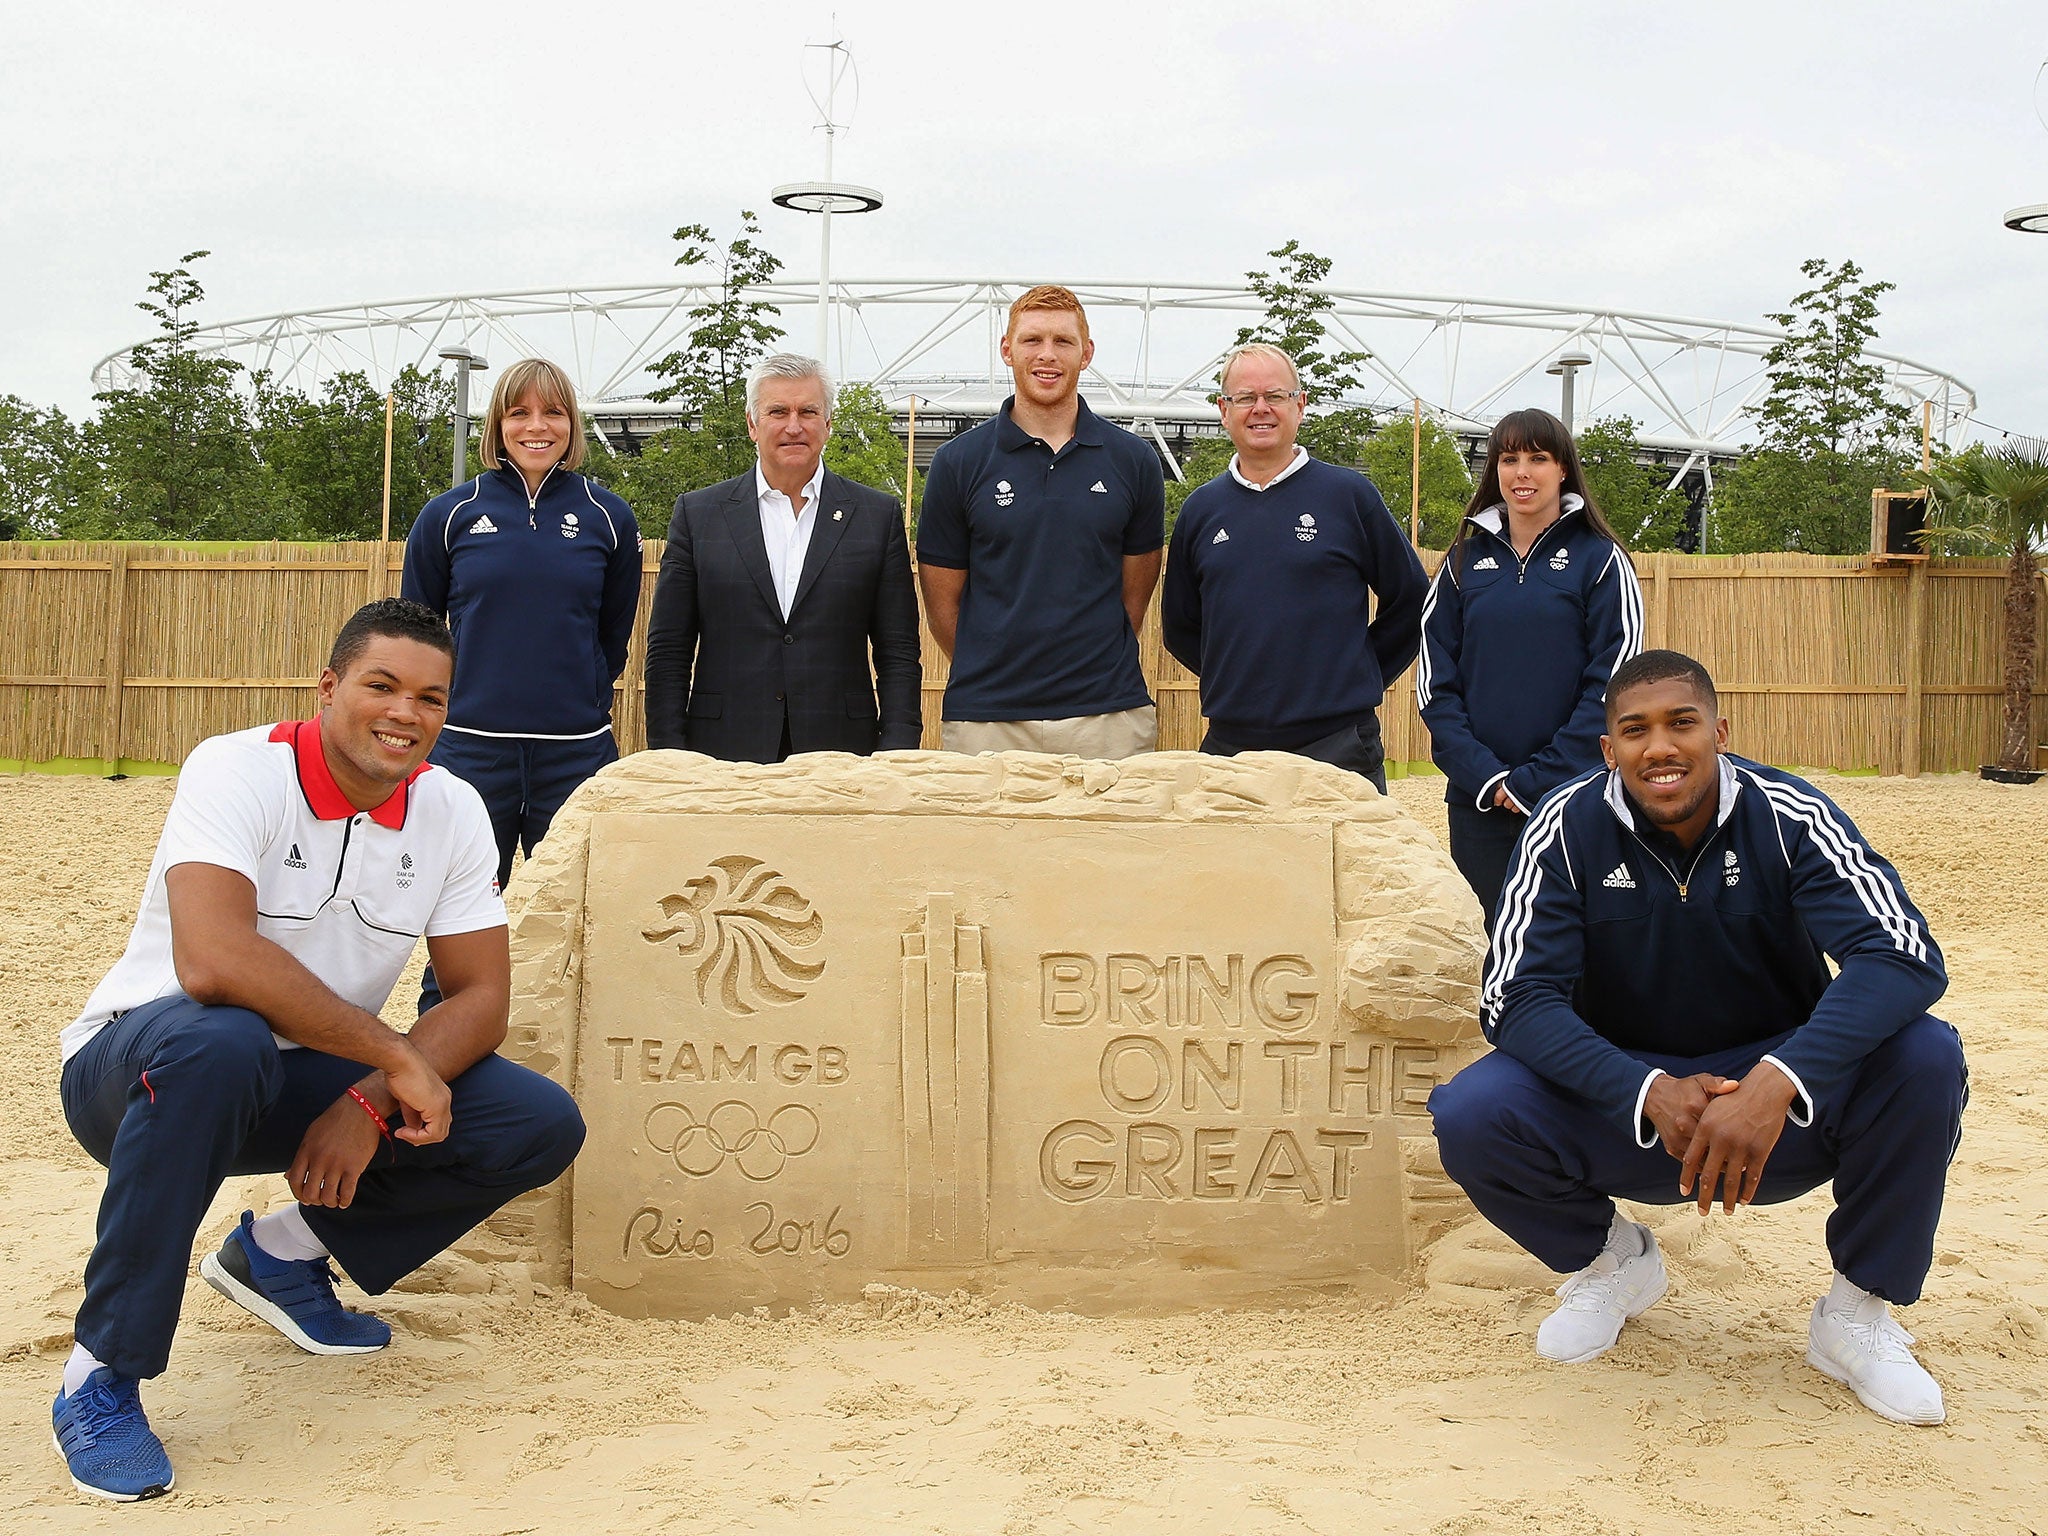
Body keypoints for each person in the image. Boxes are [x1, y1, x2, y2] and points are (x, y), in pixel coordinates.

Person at [52, 599, 585, 1501]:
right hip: (140, 1069)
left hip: (300, 1075)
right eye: (381, 686)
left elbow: (483, 998)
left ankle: (281, 1253)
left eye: (429, 697)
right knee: (220, 1043)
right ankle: (102, 1374)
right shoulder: (235, 768)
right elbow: (214, 962)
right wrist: (395, 1058)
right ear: (329, 686)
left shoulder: (452, 809)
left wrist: (370, 1098)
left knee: (533, 1120)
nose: (404, 714)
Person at [1428, 650, 1966, 1425]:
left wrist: (1778, 1079)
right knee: (1473, 1110)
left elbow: (1904, 954)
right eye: (1635, 730)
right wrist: (1642, 1090)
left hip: (1778, 1114)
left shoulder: (1789, 816)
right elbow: (1514, 998)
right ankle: (1614, 1263)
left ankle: (1857, 1314)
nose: (1661, 748)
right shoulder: (1563, 828)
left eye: (1682, 724)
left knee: (1926, 1056)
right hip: (1639, 1112)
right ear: (1608, 749)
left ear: (1720, 731)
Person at [402, 357, 641, 893]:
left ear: (572, 424)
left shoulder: (610, 517)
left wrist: (590, 697)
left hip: (575, 750)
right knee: (460, 912)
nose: (537, 427)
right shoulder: (448, 514)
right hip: (470, 748)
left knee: (582, 906)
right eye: (519, 413)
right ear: (498, 425)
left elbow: (614, 630)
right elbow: (415, 637)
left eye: (552, 412)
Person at [1160, 343, 1426, 791]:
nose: (1260, 409)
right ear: (1224, 411)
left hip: (1338, 745)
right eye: (1245, 398)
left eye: (1275, 396)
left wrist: (1356, 671)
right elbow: (1180, 628)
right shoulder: (1201, 510)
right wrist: (1239, 675)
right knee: (1230, 865)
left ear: (1300, 405)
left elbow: (1412, 600)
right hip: (1231, 748)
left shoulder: (1349, 496)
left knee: (1346, 864)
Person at [1416, 408, 1643, 928]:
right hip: (1480, 802)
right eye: (1508, 458)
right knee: (1492, 945)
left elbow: (1615, 684)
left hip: (1575, 794)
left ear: (1563, 469)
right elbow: (1434, 686)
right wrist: (1488, 777)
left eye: (1538, 459)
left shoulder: (1601, 560)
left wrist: (1542, 779)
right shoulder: (1460, 563)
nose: (1522, 473)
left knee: (1577, 939)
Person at [916, 285, 1165, 759]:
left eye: (1063, 341)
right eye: (1032, 340)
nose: (1046, 355)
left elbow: (1135, 598)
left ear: (1086, 353)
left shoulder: (1134, 461)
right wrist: (995, 666)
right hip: (987, 722)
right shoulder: (958, 463)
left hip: (1108, 718)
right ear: (1007, 349)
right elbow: (941, 607)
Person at [643, 354, 921, 760]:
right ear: (752, 424)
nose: (794, 426)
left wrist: (896, 753)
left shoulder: (876, 517)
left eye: (808, 411)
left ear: (827, 423)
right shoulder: (698, 515)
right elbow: (669, 648)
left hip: (843, 757)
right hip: (720, 756)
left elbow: (898, 652)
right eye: (778, 411)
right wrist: (667, 754)